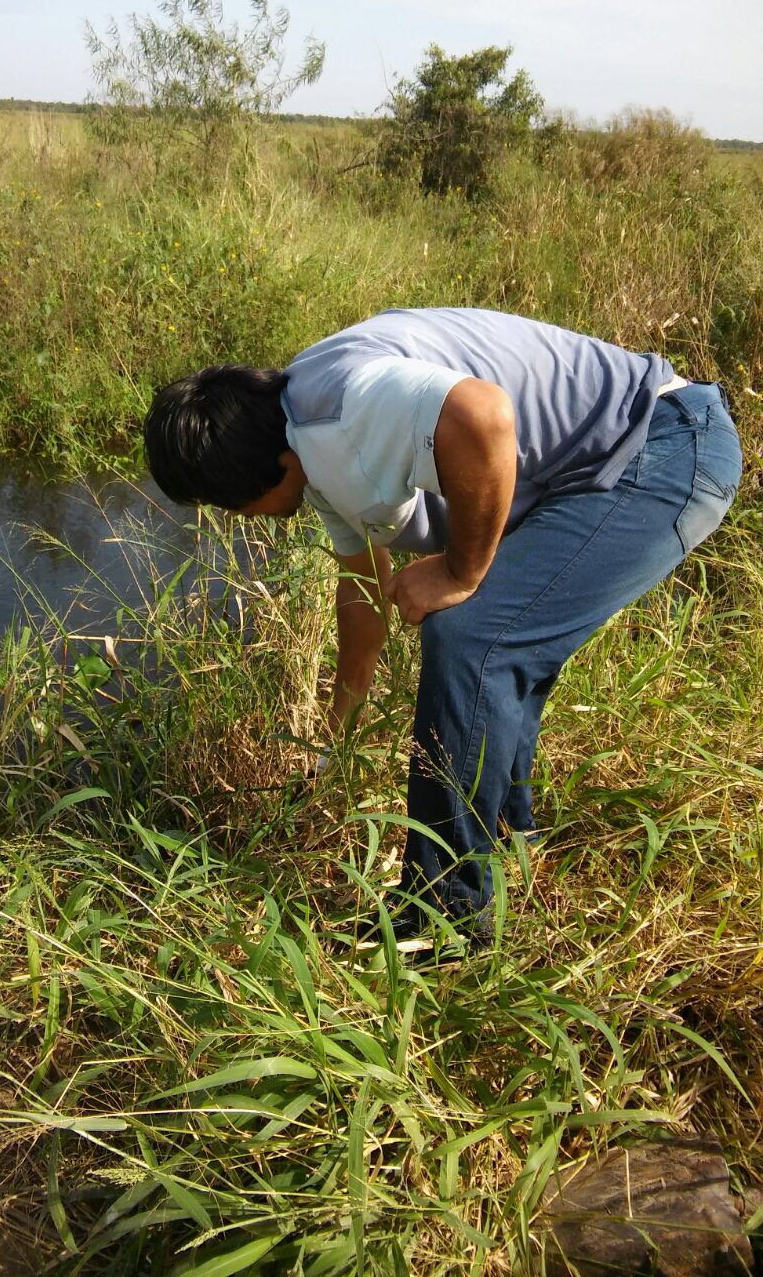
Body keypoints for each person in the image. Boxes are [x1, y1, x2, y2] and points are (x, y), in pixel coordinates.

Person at [142, 307, 743, 945]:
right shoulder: (305, 441)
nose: (244, 518)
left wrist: (461, 569)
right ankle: (510, 840)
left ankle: (445, 917)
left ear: (276, 469)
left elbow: (482, 415)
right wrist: (334, 734)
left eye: (232, 504)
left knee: (473, 636)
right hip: (618, 457)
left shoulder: (341, 413)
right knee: (498, 632)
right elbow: (364, 588)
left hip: (664, 447)